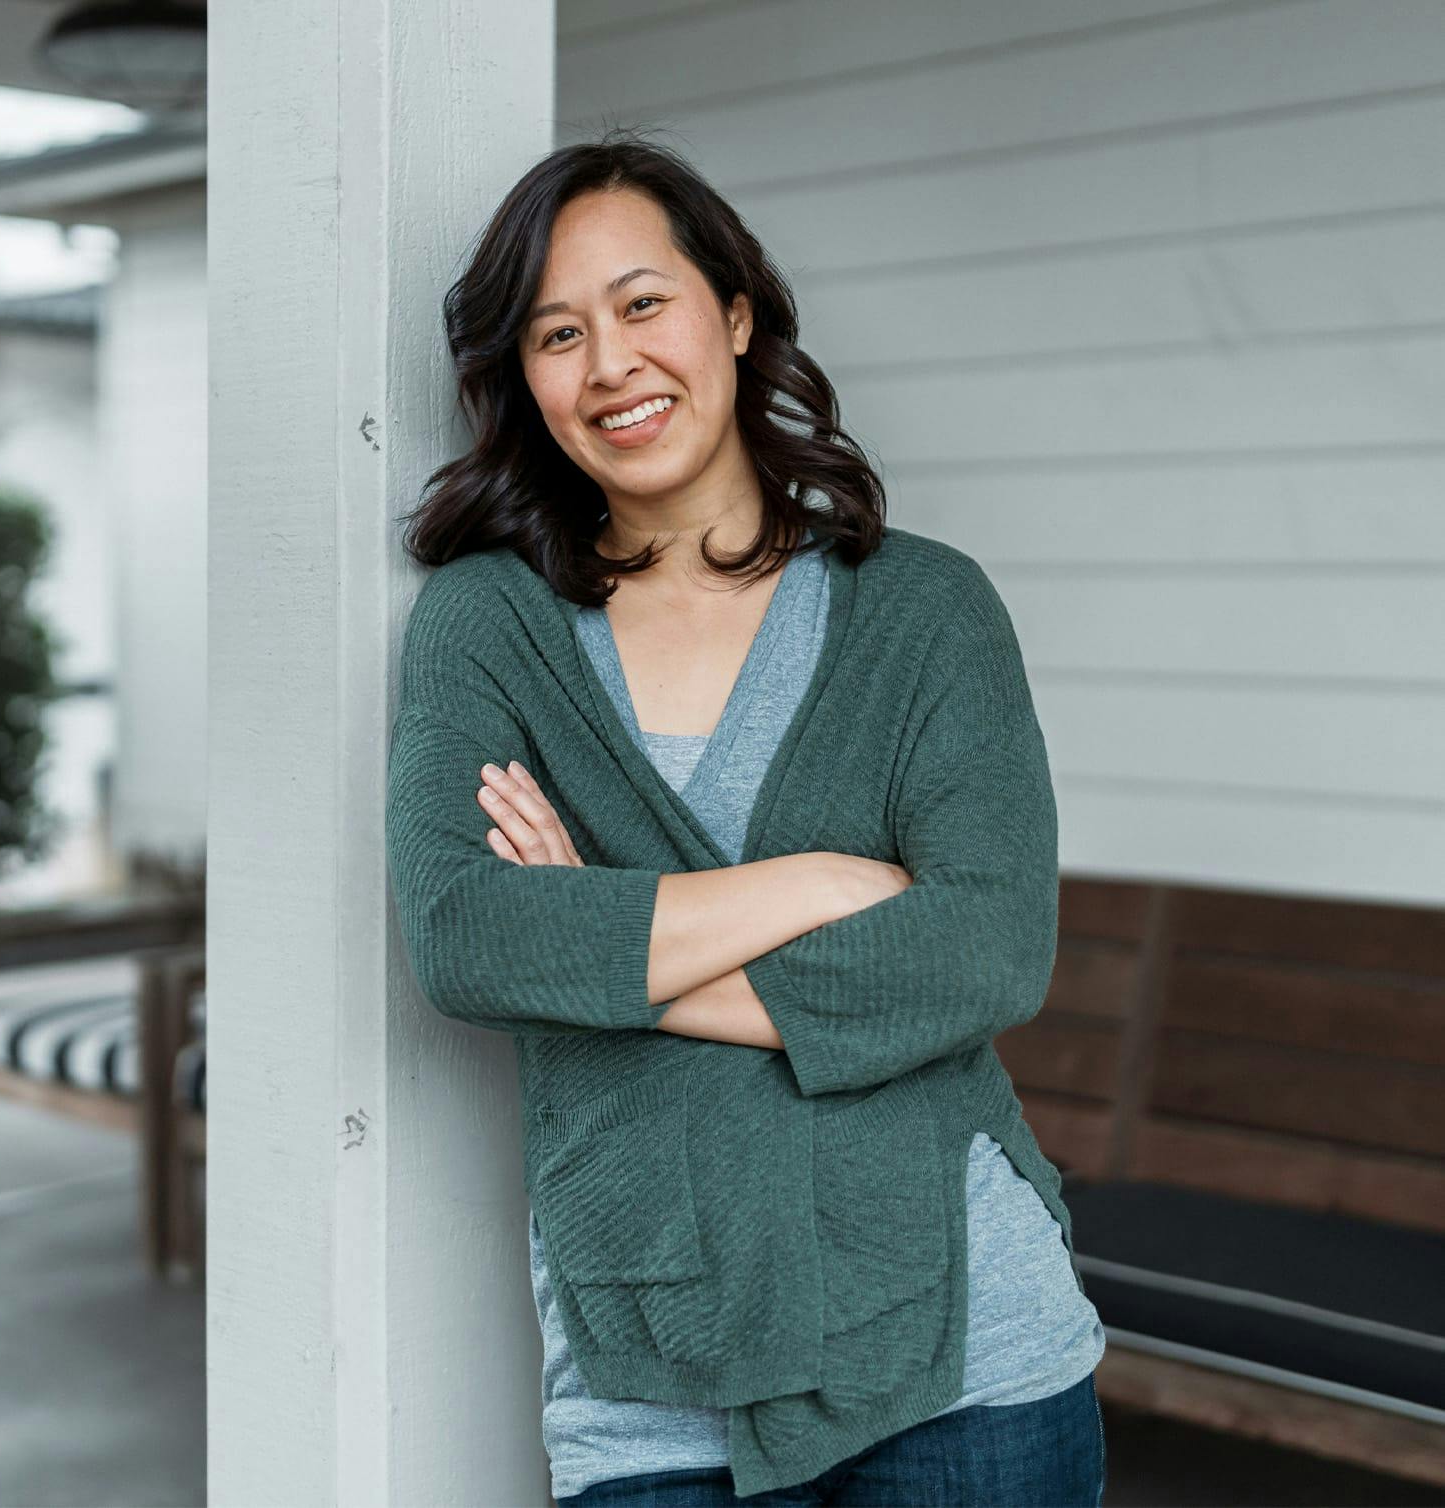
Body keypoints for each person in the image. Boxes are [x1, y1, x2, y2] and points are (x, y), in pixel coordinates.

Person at [393, 128, 1107, 1507]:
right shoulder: (487, 625)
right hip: (647, 1358)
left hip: (962, 1347)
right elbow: (468, 935)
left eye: (642, 304)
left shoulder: (924, 609)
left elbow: (988, 950)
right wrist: (830, 880)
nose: (610, 365)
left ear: (731, 313)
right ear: (519, 378)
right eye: (556, 333)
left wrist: (602, 959)